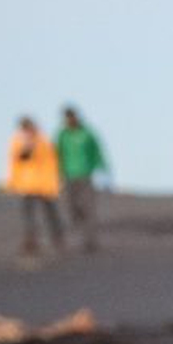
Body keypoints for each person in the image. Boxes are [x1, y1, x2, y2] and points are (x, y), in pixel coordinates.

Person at [6, 116, 63, 255]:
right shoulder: (18, 141)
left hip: (45, 184)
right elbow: (16, 160)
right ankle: (31, 240)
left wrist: (56, 180)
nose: (28, 130)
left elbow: (53, 160)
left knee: (50, 214)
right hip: (27, 184)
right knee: (28, 215)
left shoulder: (43, 140)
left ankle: (57, 238)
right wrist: (12, 182)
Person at [56, 105, 108, 252]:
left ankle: (90, 240)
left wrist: (102, 168)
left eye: (71, 117)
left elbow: (97, 151)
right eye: (67, 118)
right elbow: (56, 153)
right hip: (68, 176)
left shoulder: (87, 133)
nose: (69, 120)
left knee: (88, 208)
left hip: (85, 175)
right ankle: (80, 231)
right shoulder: (62, 135)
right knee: (72, 208)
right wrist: (56, 174)